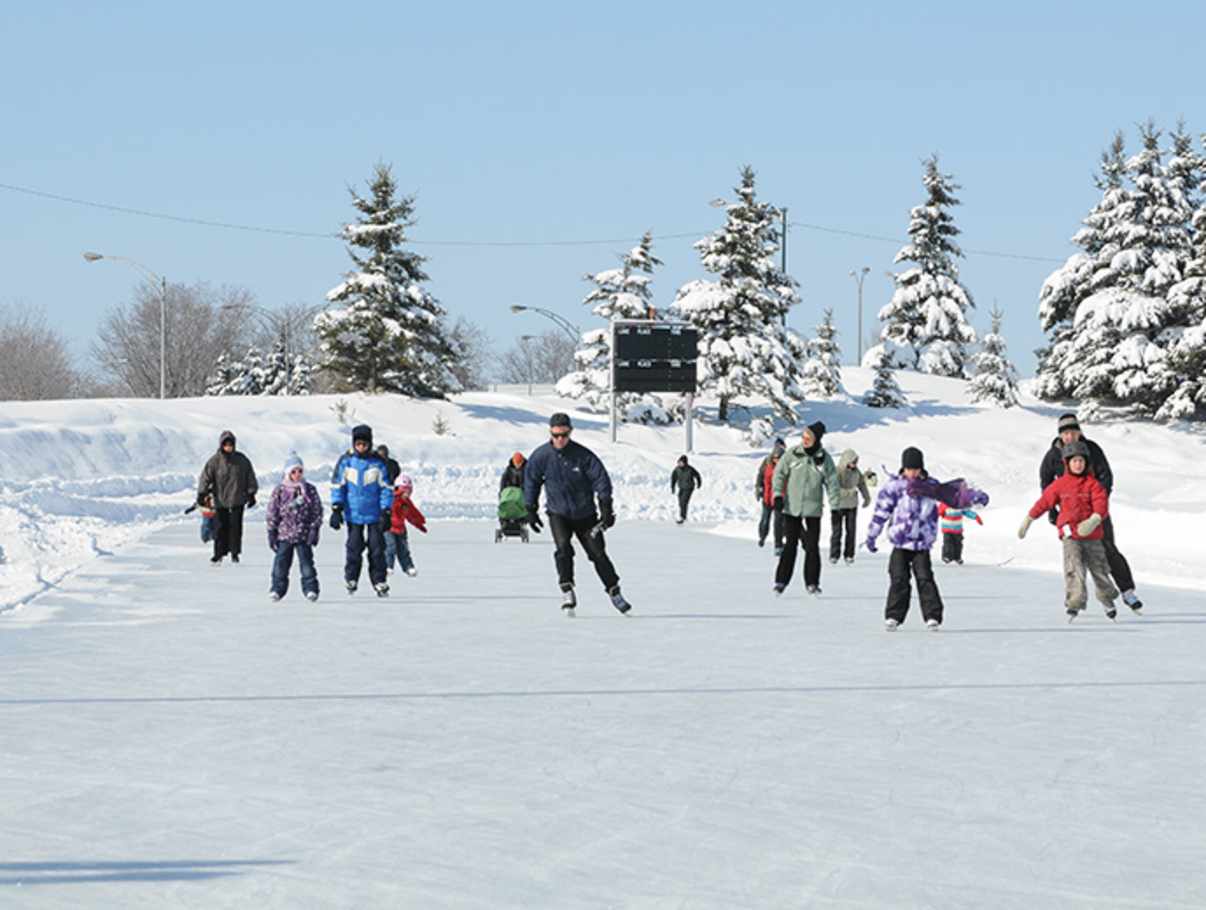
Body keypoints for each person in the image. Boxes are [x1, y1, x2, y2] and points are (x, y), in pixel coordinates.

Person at [524, 412, 631, 615]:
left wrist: (606, 507)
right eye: (555, 435)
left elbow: (601, 480)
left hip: (586, 515)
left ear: (570, 432)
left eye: (564, 435)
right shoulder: (541, 456)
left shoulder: (584, 456)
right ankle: (567, 589)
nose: (560, 440)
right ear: (550, 433)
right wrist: (530, 508)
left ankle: (614, 591)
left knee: (598, 554)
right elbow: (531, 481)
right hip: (559, 514)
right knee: (563, 549)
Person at [1039, 412, 1142, 611]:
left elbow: (1106, 477)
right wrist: (1052, 509)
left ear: (1079, 432)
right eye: (1065, 433)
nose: (1069, 436)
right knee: (1074, 557)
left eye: (1073, 432)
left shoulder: (1092, 449)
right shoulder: (1052, 456)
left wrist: (1098, 504)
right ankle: (1075, 598)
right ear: (1060, 435)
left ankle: (1127, 591)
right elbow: (1046, 483)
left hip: (1096, 512)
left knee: (1108, 550)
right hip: (1069, 517)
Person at [1020, 440, 1120, 621]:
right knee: (1074, 568)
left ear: (1086, 463)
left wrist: (1095, 518)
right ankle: (1074, 602)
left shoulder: (1093, 484)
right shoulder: (1059, 485)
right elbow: (1044, 502)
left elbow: (1101, 503)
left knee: (1099, 569)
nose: (1078, 464)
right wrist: (1029, 518)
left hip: (1092, 535)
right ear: (1067, 463)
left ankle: (1106, 598)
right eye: (1074, 461)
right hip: (1070, 535)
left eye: (1081, 461)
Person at [865, 447, 959, 630]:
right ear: (903, 468)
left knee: (925, 577)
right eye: (909, 469)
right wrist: (872, 535)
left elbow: (953, 496)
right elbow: (881, 512)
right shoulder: (895, 487)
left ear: (921, 468)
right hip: (901, 540)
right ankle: (894, 616)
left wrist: (974, 497)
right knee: (898, 577)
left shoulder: (931, 486)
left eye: (916, 469)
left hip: (922, 542)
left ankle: (932, 616)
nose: (912, 473)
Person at [772, 421, 840, 596]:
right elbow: (779, 474)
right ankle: (781, 581)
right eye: (803, 437)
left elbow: (832, 483)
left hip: (813, 509)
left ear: (816, 439)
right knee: (790, 546)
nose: (805, 440)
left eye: (808, 437)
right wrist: (778, 495)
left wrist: (835, 507)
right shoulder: (793, 454)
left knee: (812, 546)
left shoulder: (824, 459)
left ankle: (812, 582)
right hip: (791, 507)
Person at [329, 424, 394, 596]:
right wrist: (336, 507)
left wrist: (386, 511)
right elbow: (338, 486)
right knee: (353, 547)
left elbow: (386, 488)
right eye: (358, 444)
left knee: (377, 548)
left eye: (364, 444)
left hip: (374, 515)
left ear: (370, 444)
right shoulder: (346, 462)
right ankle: (351, 578)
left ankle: (379, 580)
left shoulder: (378, 464)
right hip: (353, 514)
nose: (361, 447)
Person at [265, 452, 323, 602]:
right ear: (287, 473)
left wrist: (314, 529)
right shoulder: (280, 490)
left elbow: (316, 511)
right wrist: (272, 531)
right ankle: (277, 589)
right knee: (280, 564)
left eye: (300, 471)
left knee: (307, 564)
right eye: (293, 471)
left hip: (303, 534)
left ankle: (311, 588)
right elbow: (273, 511)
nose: (297, 474)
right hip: (284, 533)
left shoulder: (309, 490)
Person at [196, 430, 258, 566]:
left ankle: (235, 553)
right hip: (221, 501)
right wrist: (202, 493)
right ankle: (218, 554)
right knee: (219, 529)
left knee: (236, 528)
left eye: (231, 444)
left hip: (237, 500)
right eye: (226, 444)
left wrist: (251, 493)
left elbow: (250, 477)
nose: (228, 447)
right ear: (221, 445)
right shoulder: (214, 461)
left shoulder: (242, 460)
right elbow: (205, 477)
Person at [829, 449, 871, 565]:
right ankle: (834, 554)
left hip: (852, 506)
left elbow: (861, 484)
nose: (855, 464)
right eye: (853, 461)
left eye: (856, 462)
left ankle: (849, 554)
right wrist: (849, 492)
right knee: (837, 531)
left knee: (851, 531)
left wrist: (867, 497)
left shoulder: (856, 472)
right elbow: (834, 488)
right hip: (838, 505)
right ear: (847, 460)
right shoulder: (837, 471)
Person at [388, 474, 427, 577]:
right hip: (389, 528)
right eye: (405, 490)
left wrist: (419, 523)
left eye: (409, 490)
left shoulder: (406, 502)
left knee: (404, 549)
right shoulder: (393, 499)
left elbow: (412, 514)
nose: (407, 493)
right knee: (390, 548)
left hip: (401, 529)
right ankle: (388, 566)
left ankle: (408, 567)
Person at [757, 448, 785, 555]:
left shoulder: (786, 467)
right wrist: (759, 488)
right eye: (775, 458)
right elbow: (760, 476)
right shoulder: (766, 464)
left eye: (779, 458)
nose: (776, 460)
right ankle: (762, 536)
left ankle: (778, 544)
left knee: (778, 523)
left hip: (779, 499)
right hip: (767, 498)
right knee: (765, 520)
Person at [670, 455, 702, 524]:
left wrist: (699, 483)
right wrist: (672, 487)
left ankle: (683, 517)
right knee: (680, 501)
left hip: (689, 488)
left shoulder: (690, 469)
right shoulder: (677, 469)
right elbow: (673, 478)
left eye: (681, 462)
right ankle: (683, 515)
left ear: (685, 463)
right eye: (679, 462)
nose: (680, 464)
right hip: (681, 487)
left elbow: (697, 475)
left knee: (684, 501)